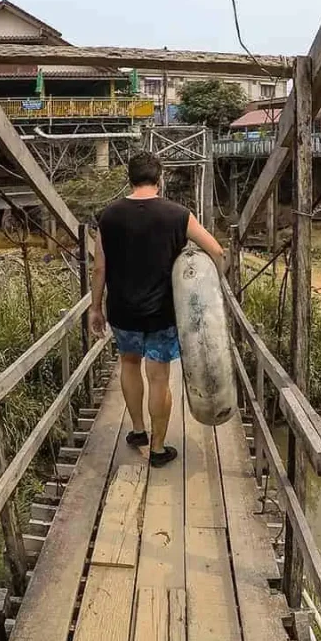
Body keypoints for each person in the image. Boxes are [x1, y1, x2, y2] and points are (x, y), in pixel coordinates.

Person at [89, 152, 225, 467]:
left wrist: (95, 308)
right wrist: (209, 293)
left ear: (129, 178)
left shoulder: (107, 217)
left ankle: (138, 431)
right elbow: (216, 251)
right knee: (159, 377)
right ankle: (159, 448)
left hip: (122, 311)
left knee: (129, 364)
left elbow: (99, 270)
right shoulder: (177, 214)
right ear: (159, 178)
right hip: (162, 313)